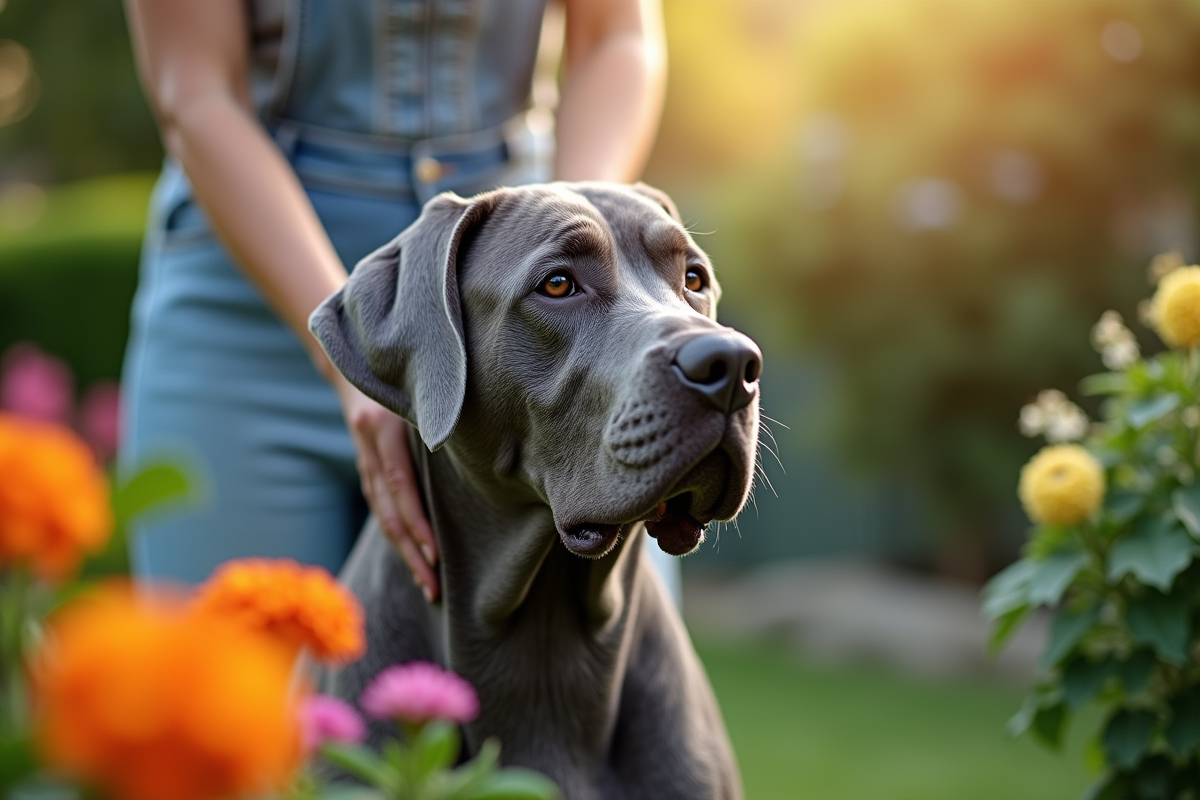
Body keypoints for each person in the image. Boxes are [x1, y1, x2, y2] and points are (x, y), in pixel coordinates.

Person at [120, 0, 677, 603]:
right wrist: (352, 351)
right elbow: (198, 94)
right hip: (247, 320)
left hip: (521, 325)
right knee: (236, 686)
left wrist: (571, 261)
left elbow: (617, 37)